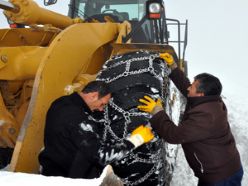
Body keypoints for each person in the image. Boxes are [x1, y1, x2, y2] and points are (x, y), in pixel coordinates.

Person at [138, 53, 243, 186]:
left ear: (201, 94)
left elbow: (174, 135)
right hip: (218, 170)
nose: (189, 87)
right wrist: (173, 67)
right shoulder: (210, 100)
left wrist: (157, 111)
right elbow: (186, 87)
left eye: (192, 86)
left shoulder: (207, 117)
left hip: (221, 178)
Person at [39, 80, 154, 179]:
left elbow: (74, 138)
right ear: (93, 95)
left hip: (51, 170)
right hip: (69, 179)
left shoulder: (60, 103)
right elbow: (101, 156)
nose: (101, 109)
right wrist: (136, 140)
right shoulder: (79, 119)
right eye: (102, 104)